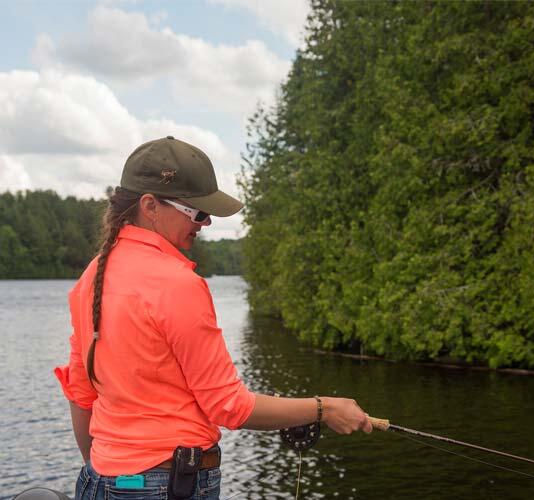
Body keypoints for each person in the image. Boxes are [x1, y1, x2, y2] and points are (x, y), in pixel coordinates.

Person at [54, 136, 372, 500]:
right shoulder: (179, 285)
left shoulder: (90, 277)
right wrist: (324, 408)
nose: (205, 223)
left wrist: (104, 475)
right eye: (197, 212)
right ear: (149, 206)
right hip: (167, 487)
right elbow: (230, 407)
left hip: (99, 481)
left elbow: (81, 396)